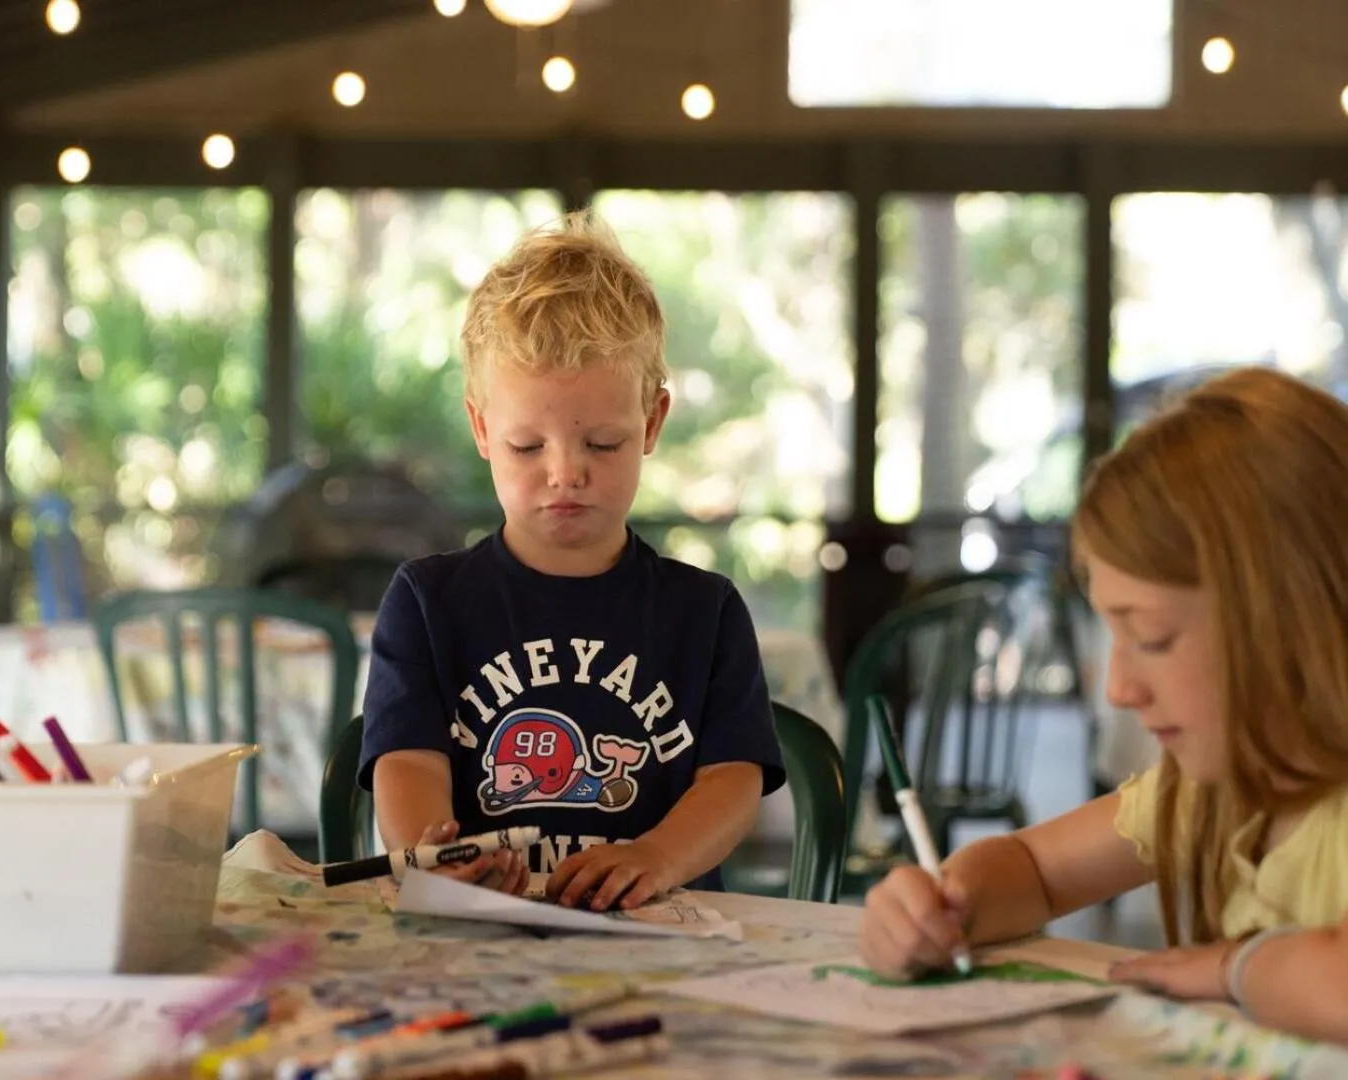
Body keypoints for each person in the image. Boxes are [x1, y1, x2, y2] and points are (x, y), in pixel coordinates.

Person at [858, 367, 1348, 1044]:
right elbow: (1033, 870)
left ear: (1296, 619)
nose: (1118, 688)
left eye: (1150, 637)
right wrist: (947, 907)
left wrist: (1232, 968)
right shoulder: (1210, 792)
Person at [358, 211, 785, 911]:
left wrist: (655, 855)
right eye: (528, 447)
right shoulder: (428, 603)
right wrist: (432, 862)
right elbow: (405, 761)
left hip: (659, 932)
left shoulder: (703, 612)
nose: (566, 473)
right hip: (484, 927)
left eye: (604, 444)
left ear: (651, 424)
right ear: (481, 430)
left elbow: (732, 780)